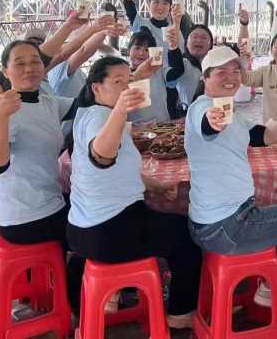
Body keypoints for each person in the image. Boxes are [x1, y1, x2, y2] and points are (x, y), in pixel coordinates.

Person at [66, 57, 202, 329]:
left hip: (80, 231)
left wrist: (156, 185)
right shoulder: (100, 116)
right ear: (96, 88)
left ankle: (86, 306)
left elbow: (117, 169)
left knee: (158, 221)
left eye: (129, 81)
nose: (126, 87)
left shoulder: (87, 111)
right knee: (187, 235)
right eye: (118, 82)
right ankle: (180, 312)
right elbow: (100, 156)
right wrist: (119, 111)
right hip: (110, 231)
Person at [185, 46, 277, 312]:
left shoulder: (233, 114)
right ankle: (276, 286)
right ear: (205, 78)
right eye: (222, 72)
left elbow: (263, 136)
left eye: (236, 70)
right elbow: (207, 123)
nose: (231, 76)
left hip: (212, 223)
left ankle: (238, 288)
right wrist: (213, 120)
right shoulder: (203, 108)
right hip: (227, 226)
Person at [0, 40, 76, 245]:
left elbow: (84, 103)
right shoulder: (1, 112)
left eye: (35, 62)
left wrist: (128, 80)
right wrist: (2, 116)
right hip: (24, 216)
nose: (29, 69)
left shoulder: (47, 101)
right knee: (97, 228)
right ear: (6, 71)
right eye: (19, 63)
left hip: (51, 201)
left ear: (44, 68)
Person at [166, 4, 216, 112]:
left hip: (213, 117)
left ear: (210, 44)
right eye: (194, 37)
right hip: (186, 118)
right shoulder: (183, 63)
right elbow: (175, 65)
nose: (198, 40)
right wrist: (173, 46)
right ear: (186, 43)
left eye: (204, 38)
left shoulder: (215, 67)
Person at [122, 30, 173, 122]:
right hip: (137, 130)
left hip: (163, 126)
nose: (141, 53)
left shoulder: (158, 71)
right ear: (129, 49)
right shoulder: (122, 74)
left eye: (146, 50)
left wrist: (173, 46)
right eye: (137, 48)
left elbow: (177, 71)